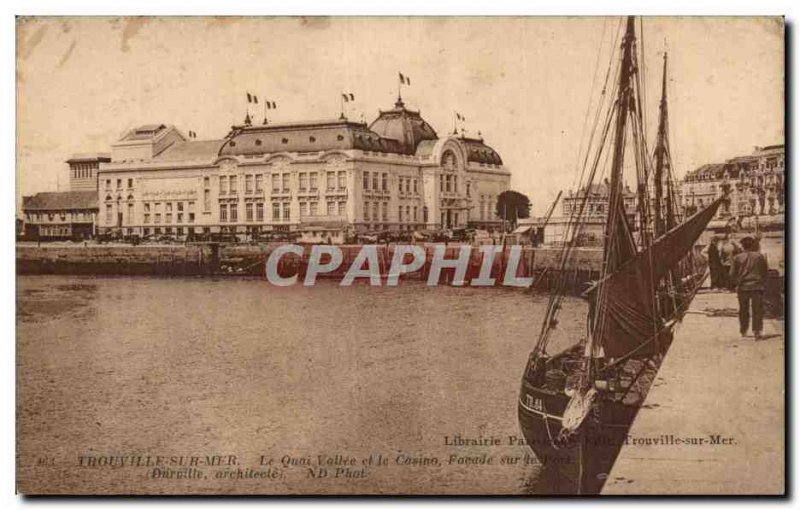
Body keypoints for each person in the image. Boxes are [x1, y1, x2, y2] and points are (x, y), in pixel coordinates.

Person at [729, 236, 769, 340]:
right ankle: (757, 331)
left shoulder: (737, 258)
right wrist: (762, 282)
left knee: (743, 310)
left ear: (742, 246)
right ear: (753, 245)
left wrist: (735, 284)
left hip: (743, 287)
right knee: (757, 310)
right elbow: (765, 272)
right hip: (757, 286)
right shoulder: (760, 257)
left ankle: (743, 331)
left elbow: (732, 274)